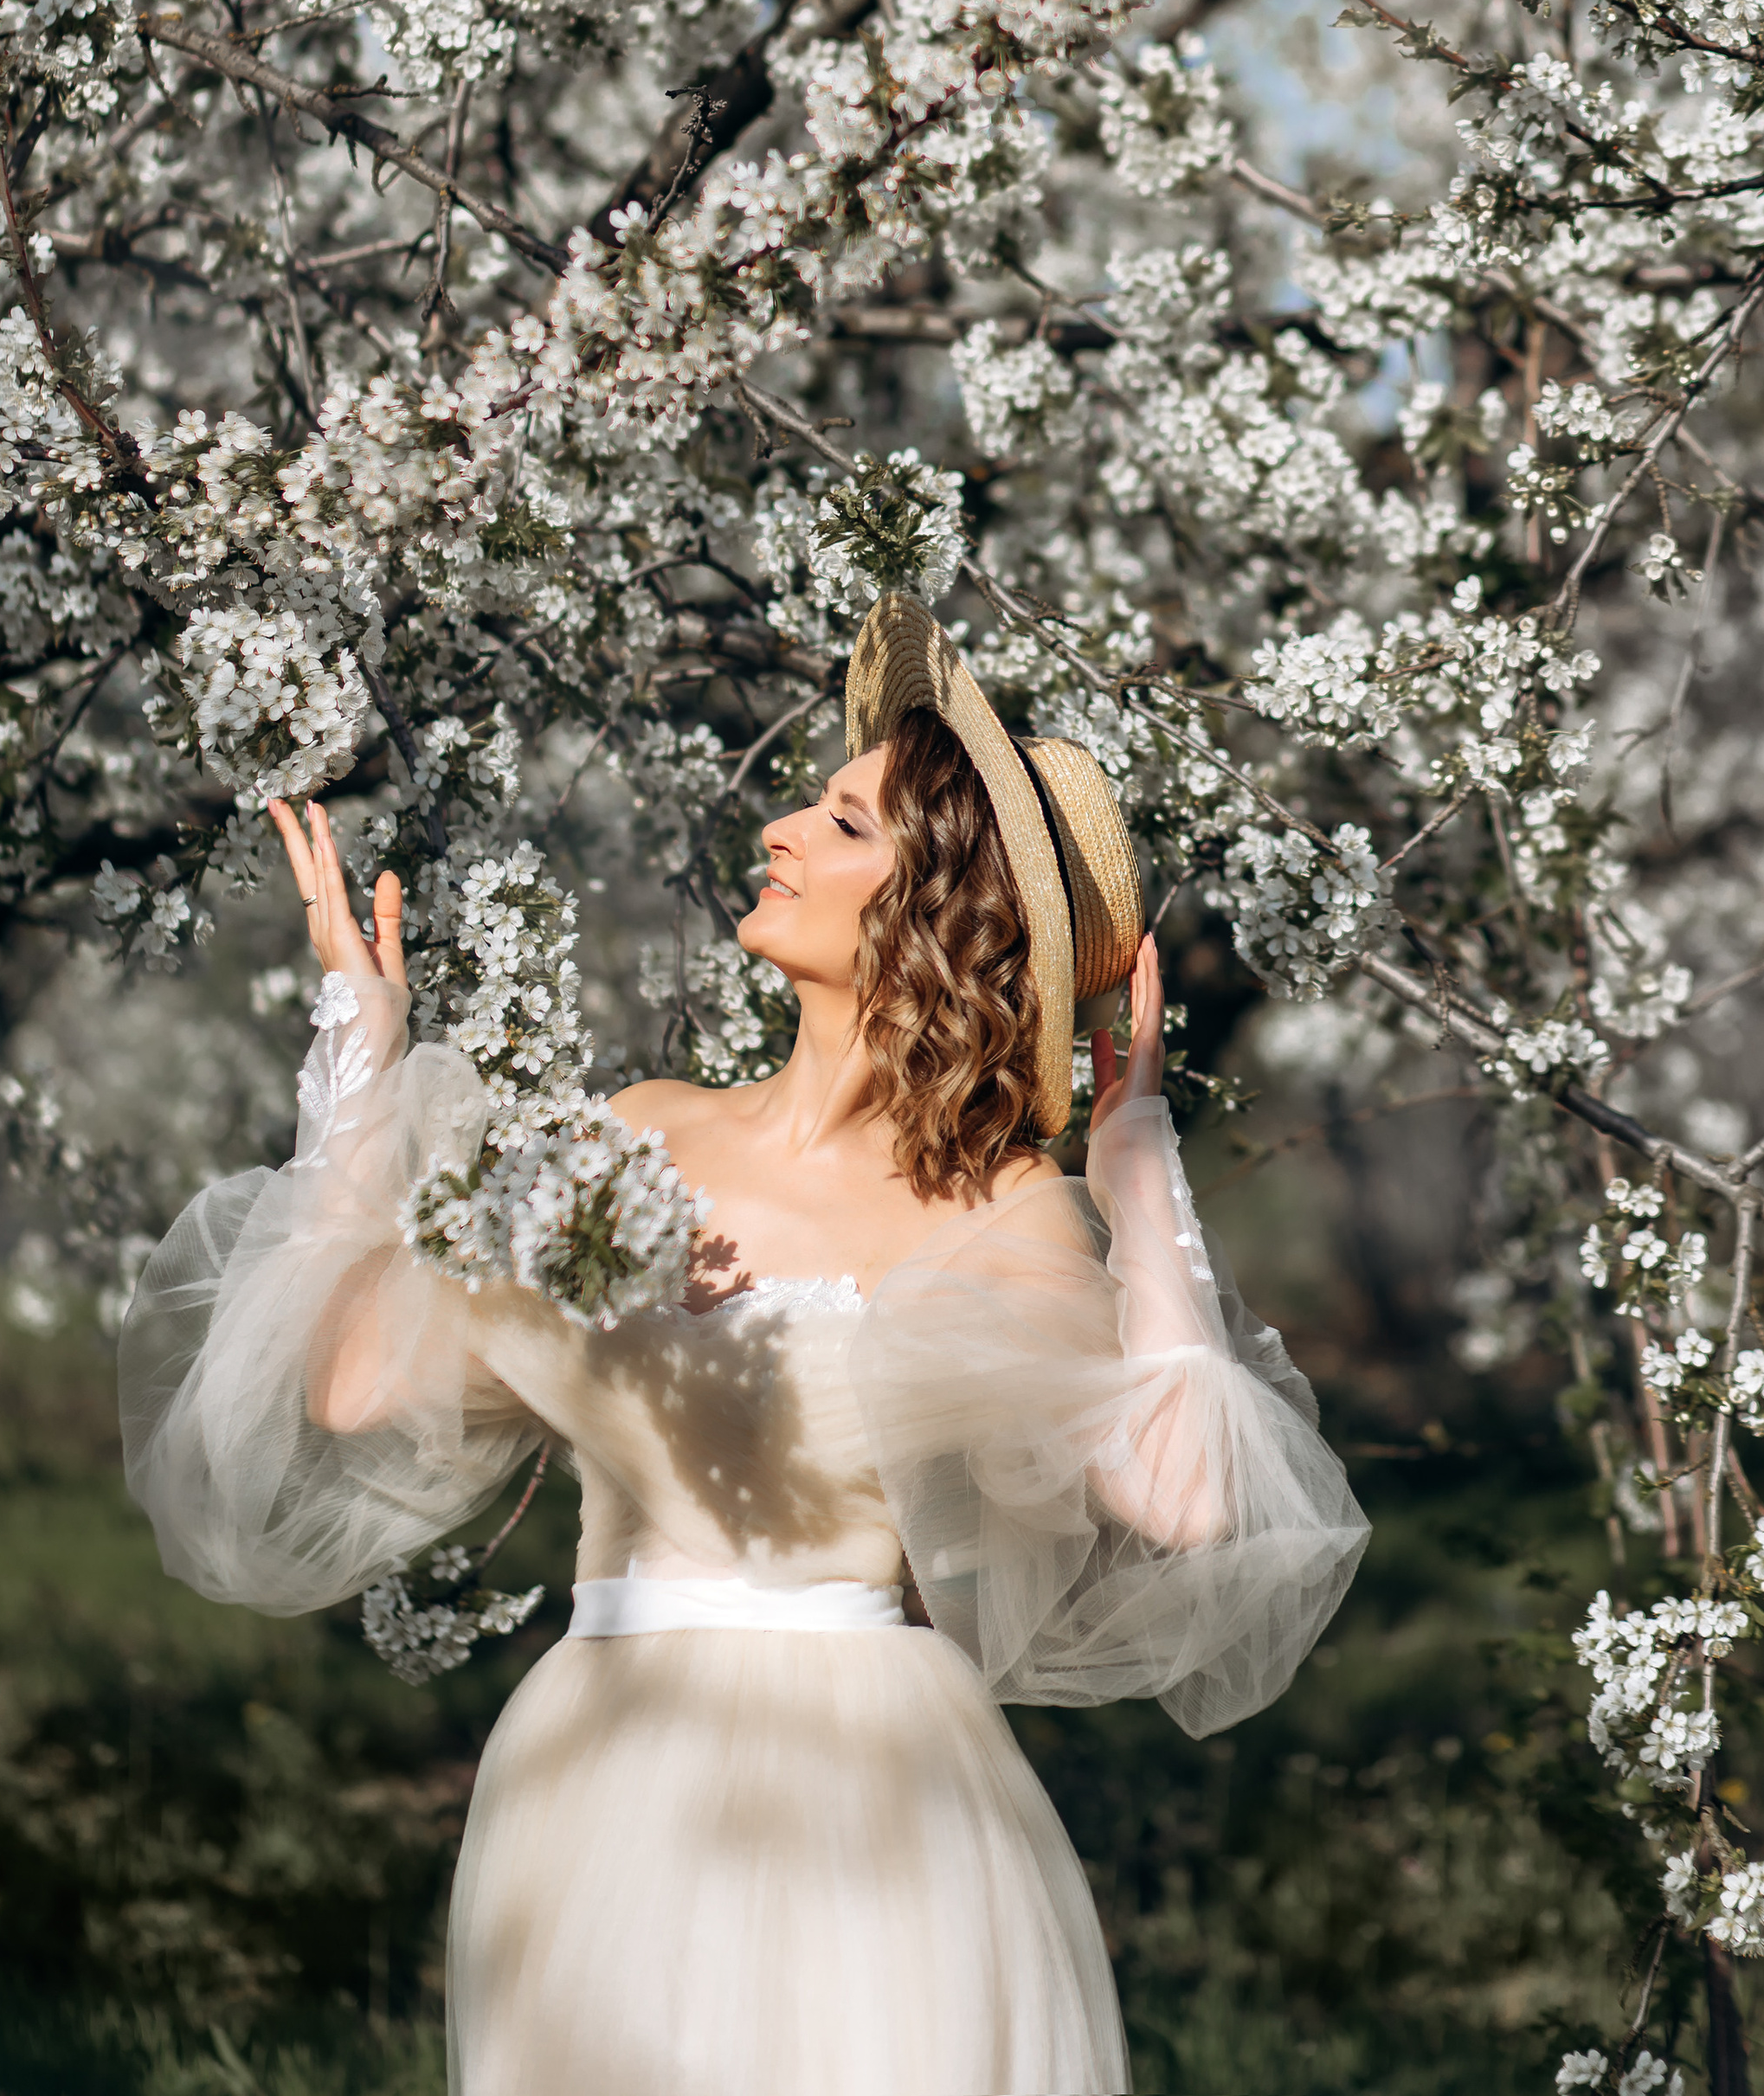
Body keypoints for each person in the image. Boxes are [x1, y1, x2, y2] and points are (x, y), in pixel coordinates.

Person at [120, 595, 1368, 2095]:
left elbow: (1182, 1498)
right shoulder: (635, 1133)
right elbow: (358, 1381)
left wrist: (1135, 1150)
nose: (780, 825)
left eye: (843, 821)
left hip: (877, 1804)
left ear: (932, 911)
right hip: (596, 1776)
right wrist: (361, 1062)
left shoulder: (999, 1213)